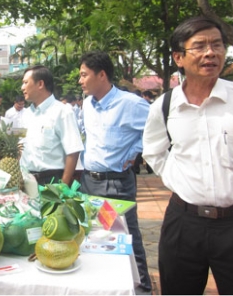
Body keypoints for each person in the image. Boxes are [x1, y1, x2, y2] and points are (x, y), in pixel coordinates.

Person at [142, 16, 233, 294]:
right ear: (179, 57)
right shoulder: (164, 107)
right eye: (199, 46)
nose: (210, 52)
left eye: (217, 45)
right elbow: (155, 153)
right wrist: (180, 182)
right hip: (183, 223)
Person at [78, 50, 152, 293]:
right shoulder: (87, 105)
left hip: (115, 185)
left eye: (83, 75)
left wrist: (135, 152)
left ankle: (141, 288)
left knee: (125, 238)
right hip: (90, 182)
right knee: (97, 238)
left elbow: (156, 131)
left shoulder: (130, 104)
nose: (80, 80)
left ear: (101, 75)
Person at [20, 65, 84, 186]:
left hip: (52, 181)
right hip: (26, 181)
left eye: (25, 82)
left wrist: (63, 186)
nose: (22, 87)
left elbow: (73, 151)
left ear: (40, 84)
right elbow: (19, 146)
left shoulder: (62, 112)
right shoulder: (25, 115)